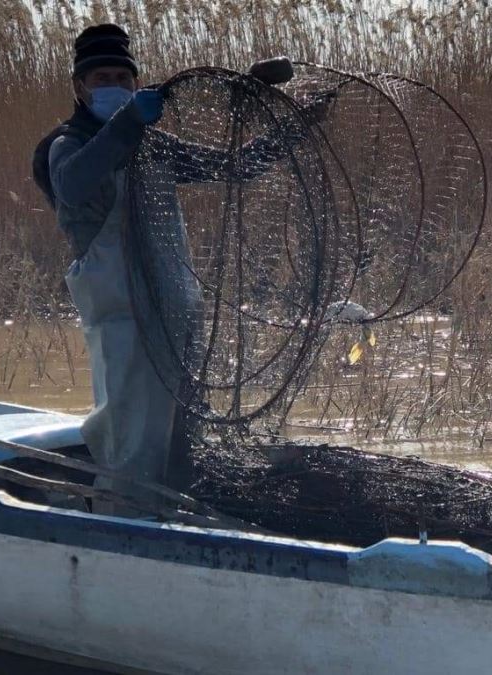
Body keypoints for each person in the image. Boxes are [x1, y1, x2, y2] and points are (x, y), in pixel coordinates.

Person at [33, 24, 325, 514]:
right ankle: (121, 517)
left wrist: (296, 128)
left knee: (181, 429)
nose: (114, 87)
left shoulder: (155, 145)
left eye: (123, 79)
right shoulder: (68, 144)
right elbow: (75, 186)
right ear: (80, 88)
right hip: (121, 314)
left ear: (136, 83)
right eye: (102, 78)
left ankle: (177, 514)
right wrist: (127, 122)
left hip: (174, 308)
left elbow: (238, 166)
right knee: (131, 422)